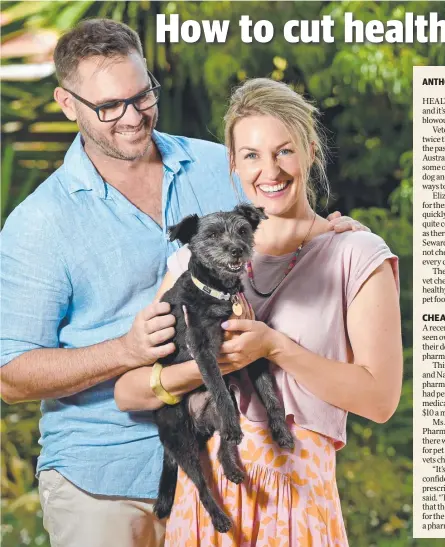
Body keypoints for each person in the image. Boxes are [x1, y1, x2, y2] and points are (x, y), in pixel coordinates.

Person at [0, 19, 366, 547]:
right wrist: (123, 350)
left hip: (221, 471)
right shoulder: (40, 223)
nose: (131, 117)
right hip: (104, 484)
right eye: (108, 107)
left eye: (142, 95)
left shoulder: (218, 167)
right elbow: (10, 376)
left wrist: (330, 231)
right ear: (66, 102)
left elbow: (282, 222)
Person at [113, 78, 403, 546]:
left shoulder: (355, 253)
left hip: (297, 500)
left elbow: (380, 400)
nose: (269, 169)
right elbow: (129, 391)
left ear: (310, 151)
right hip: (205, 506)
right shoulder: (197, 260)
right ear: (233, 162)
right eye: (250, 155)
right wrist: (202, 370)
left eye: (284, 151)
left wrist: (274, 347)